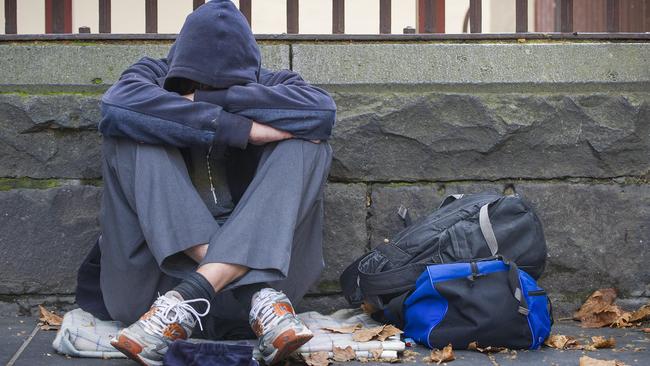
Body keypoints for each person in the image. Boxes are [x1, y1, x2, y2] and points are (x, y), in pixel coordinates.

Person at [75, 1, 336, 365]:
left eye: (224, 84)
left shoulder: (276, 84)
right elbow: (116, 108)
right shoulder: (148, 77)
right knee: (130, 131)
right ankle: (241, 288)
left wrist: (206, 100)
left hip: (268, 306)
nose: (206, 88)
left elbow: (322, 112)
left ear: (250, 75)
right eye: (195, 83)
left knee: (308, 146)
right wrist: (240, 127)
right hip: (155, 292)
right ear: (177, 69)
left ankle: (209, 293)